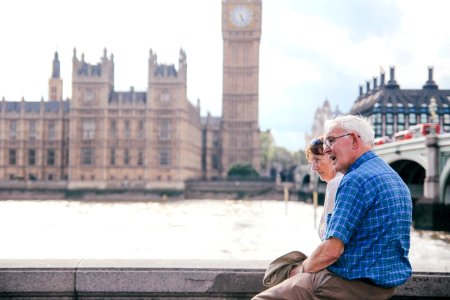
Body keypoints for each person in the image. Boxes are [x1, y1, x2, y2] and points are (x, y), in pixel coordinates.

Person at [253, 115, 412, 300]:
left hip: (349, 284)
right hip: (383, 288)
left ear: (353, 139)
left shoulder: (355, 180)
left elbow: (331, 250)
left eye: (330, 140)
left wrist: (300, 270)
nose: (327, 149)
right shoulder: (395, 178)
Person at [305, 136, 343, 240]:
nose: (313, 167)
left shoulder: (336, 184)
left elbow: (330, 238)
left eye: (317, 160)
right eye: (311, 161)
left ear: (332, 157)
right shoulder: (337, 182)